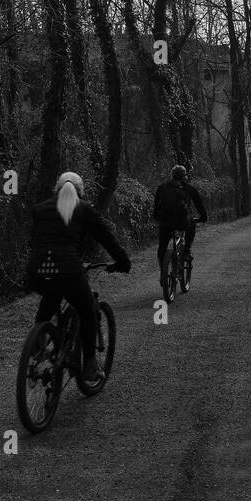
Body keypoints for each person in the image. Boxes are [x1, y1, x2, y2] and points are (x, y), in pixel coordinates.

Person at [26, 171, 131, 382]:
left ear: (56, 189)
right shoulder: (84, 209)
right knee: (87, 311)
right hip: (69, 271)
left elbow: (40, 241)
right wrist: (123, 262)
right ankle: (90, 365)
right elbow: (106, 238)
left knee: (51, 295)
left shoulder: (39, 209)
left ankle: (38, 345)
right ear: (80, 192)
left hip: (37, 271)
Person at [153, 164, 208, 287]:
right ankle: (187, 250)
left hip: (165, 222)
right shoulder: (188, 188)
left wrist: (158, 218)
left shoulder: (162, 187)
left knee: (162, 246)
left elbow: (156, 207)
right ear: (184, 176)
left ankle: (163, 272)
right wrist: (203, 217)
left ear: (172, 175)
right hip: (182, 222)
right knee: (191, 225)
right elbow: (199, 204)